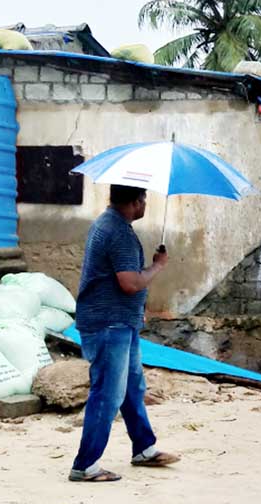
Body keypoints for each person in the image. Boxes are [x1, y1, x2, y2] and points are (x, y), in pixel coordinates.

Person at [69, 185, 178, 483]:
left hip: (119, 321)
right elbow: (129, 283)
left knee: (132, 386)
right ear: (134, 202)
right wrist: (157, 265)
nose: (145, 204)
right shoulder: (116, 232)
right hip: (109, 324)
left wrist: (135, 308)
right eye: (144, 199)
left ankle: (144, 447)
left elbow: (120, 282)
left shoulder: (112, 226)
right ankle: (85, 465)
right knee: (107, 393)